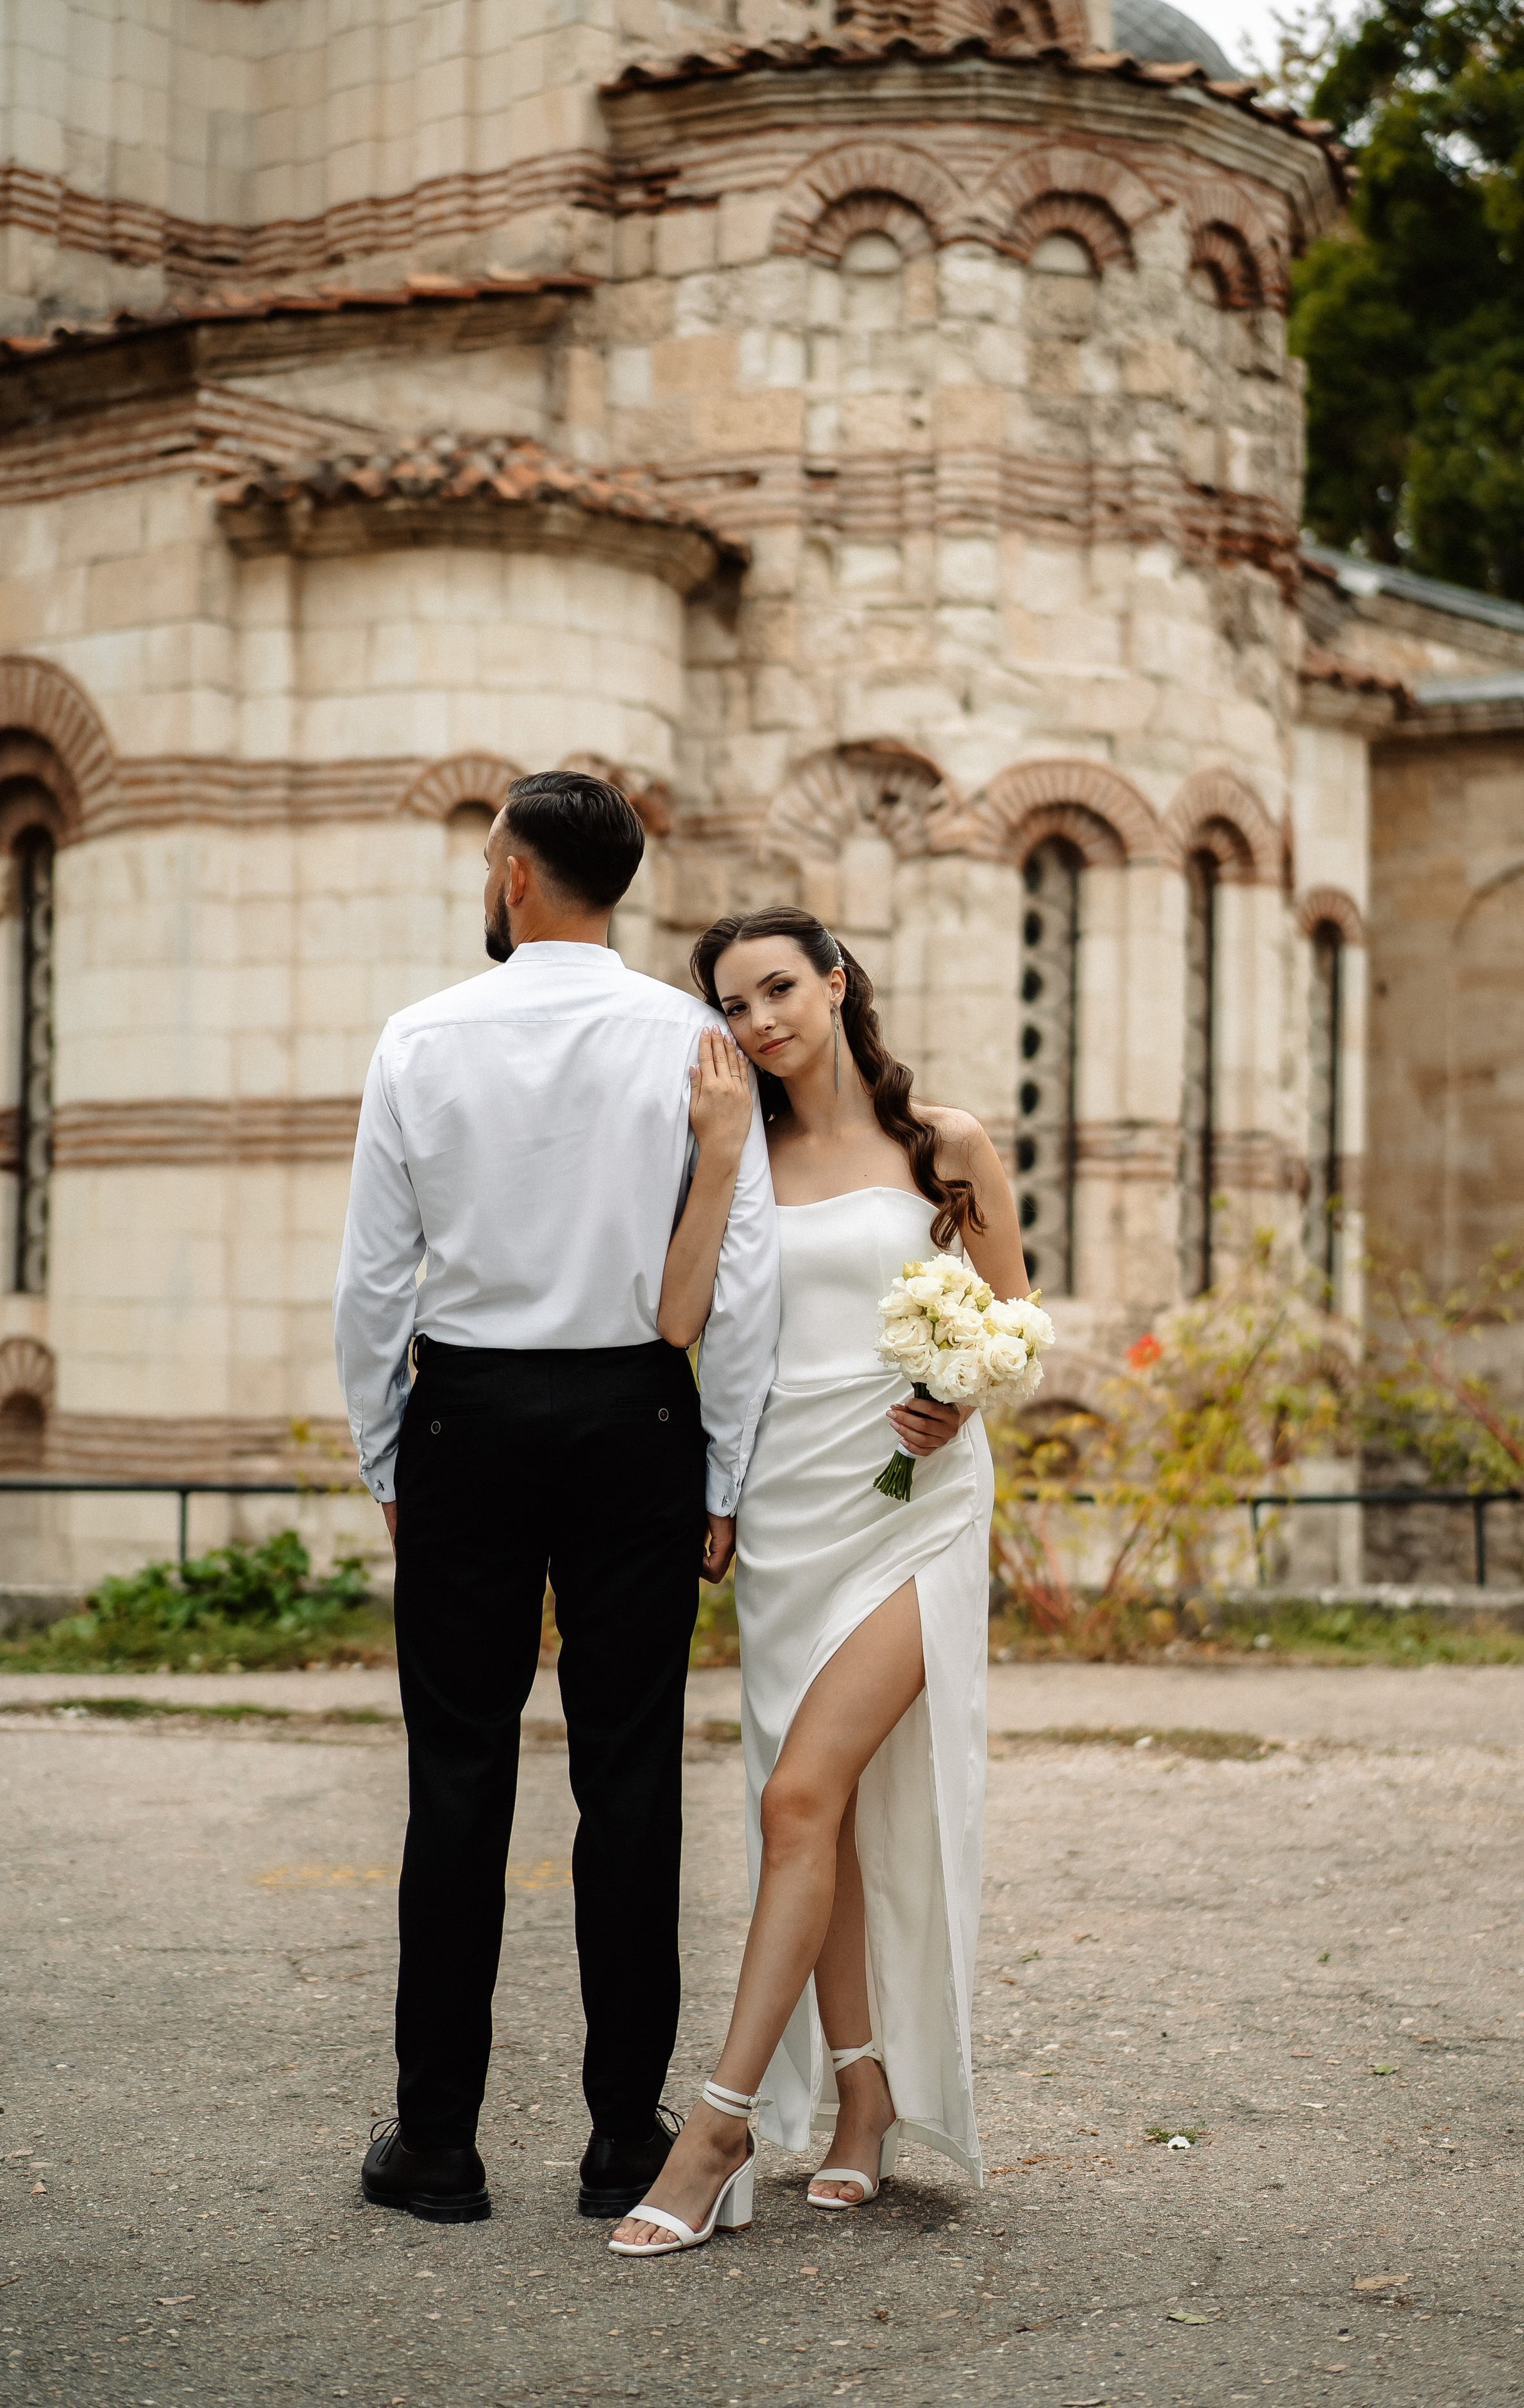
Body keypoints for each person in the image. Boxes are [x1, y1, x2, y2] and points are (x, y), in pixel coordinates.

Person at [332, 773, 780, 2226]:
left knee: (456, 1777)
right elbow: (745, 1280)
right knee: (629, 1775)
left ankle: (437, 2145)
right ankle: (616, 2142)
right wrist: (724, 1464)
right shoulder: (694, 1042)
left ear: (514, 875)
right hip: (632, 1422)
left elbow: (371, 1284)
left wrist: (385, 1452)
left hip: (465, 1415)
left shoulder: (417, 1038)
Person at [610, 905, 1029, 2255]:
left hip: (912, 1507)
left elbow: (1014, 1325)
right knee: (821, 1819)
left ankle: (718, 2125)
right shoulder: (737, 1150)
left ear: (837, 982)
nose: (758, 1022)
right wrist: (721, 1149)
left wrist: (958, 1401)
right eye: (731, 1006)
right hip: (784, 1511)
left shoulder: (943, 1145)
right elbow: (677, 1323)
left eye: (778, 988)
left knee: (798, 1792)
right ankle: (859, 2101)